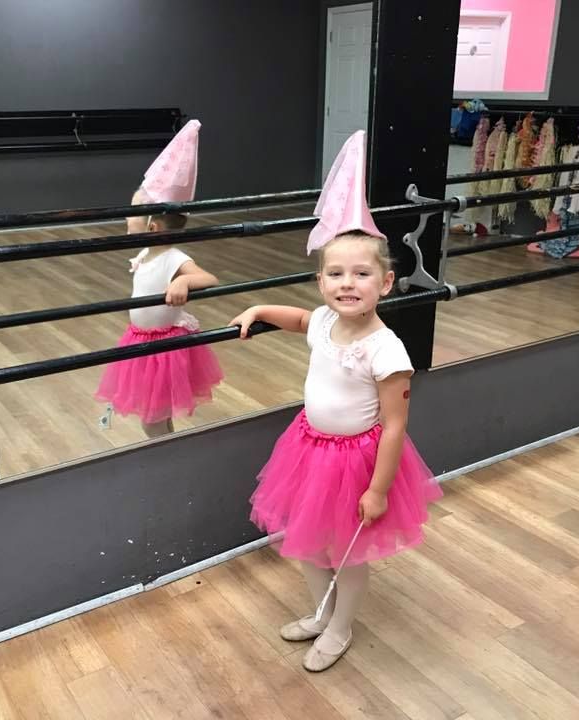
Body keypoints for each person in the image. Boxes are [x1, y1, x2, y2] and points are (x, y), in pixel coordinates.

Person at [230, 131, 441, 672]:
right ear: (320, 280)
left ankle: (341, 626)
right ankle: (319, 612)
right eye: (336, 274)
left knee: (347, 552)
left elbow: (395, 427)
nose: (348, 284)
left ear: (387, 283)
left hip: (356, 462)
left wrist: (377, 489)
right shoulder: (323, 318)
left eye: (362, 274)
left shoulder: (386, 349)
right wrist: (258, 309)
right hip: (308, 449)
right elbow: (300, 319)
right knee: (305, 542)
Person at [95, 119, 223, 438]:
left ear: (152, 228)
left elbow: (209, 278)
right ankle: (166, 450)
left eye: (132, 213)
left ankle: (164, 453)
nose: (126, 218)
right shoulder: (143, 255)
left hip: (163, 348)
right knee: (153, 415)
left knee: (153, 417)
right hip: (140, 339)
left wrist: (182, 282)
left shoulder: (172, 258)